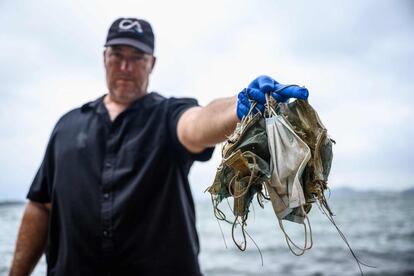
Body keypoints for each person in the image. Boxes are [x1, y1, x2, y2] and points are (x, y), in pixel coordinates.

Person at [9, 17, 309, 276]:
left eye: (137, 57)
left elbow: (199, 122)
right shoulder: (66, 126)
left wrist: (238, 106)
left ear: (151, 63)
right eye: (117, 54)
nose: (126, 66)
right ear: (104, 58)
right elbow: (40, 205)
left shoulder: (167, 115)